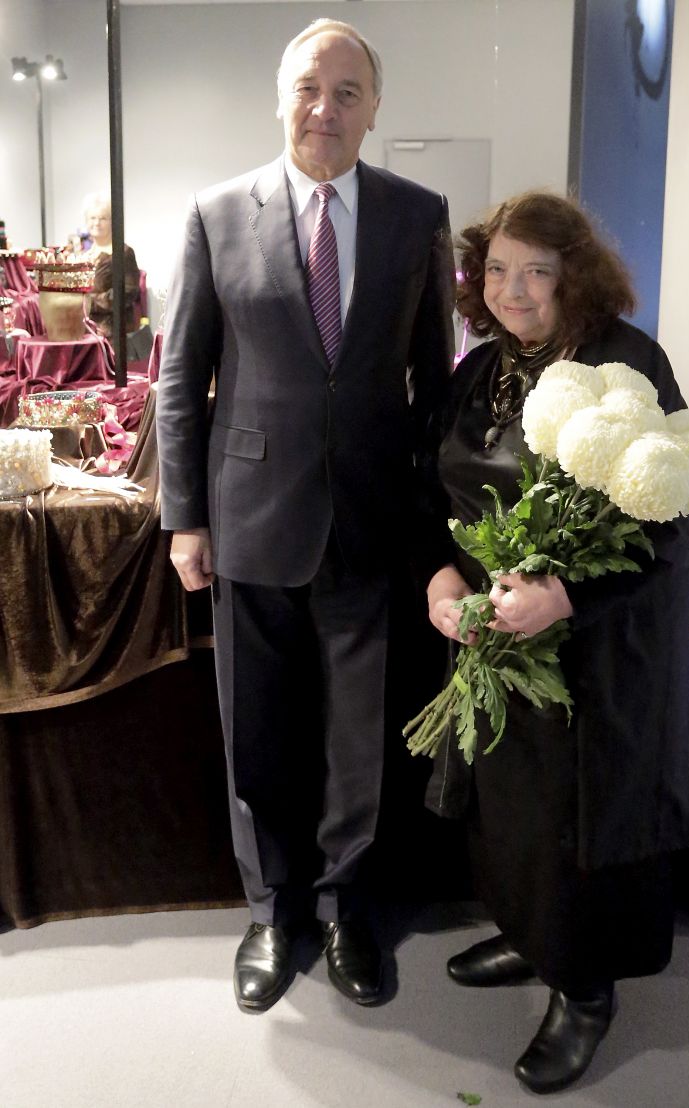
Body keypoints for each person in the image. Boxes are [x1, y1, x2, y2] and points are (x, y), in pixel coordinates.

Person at [155, 19, 454, 1012]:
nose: (325, 109)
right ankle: (271, 910)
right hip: (248, 517)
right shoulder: (214, 214)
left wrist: (433, 521)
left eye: (347, 92)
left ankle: (344, 906)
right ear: (280, 98)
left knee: (360, 737)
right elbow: (179, 378)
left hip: (372, 518)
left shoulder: (417, 215)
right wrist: (184, 516)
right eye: (309, 89)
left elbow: (433, 381)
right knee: (260, 731)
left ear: (374, 109)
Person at [424, 191, 689, 1094]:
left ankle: (584, 988)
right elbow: (446, 496)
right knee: (510, 805)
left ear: (574, 275)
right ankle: (529, 936)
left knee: (576, 814)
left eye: (536, 271)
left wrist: (567, 596)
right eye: (497, 269)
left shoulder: (628, 362)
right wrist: (444, 579)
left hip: (596, 647)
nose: (512, 290)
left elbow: (670, 522)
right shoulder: (480, 367)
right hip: (498, 634)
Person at [81, 192, 141, 337]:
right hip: (87, 331)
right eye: (92, 218)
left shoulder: (124, 253)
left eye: (103, 218)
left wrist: (88, 302)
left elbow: (126, 293)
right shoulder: (84, 255)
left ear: (112, 221)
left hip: (113, 334)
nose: (97, 223)